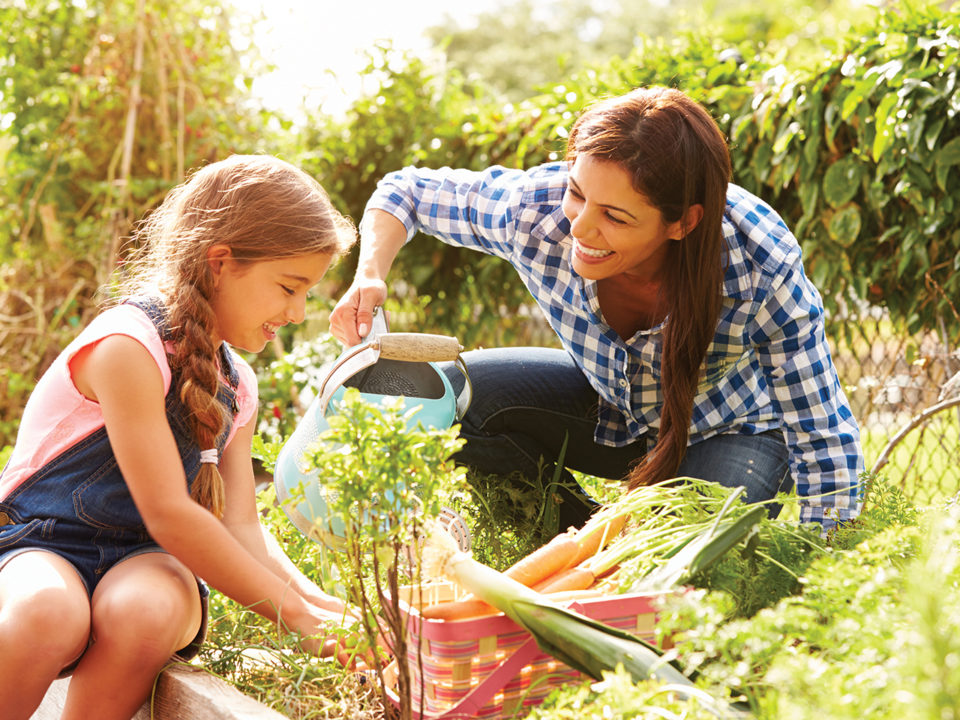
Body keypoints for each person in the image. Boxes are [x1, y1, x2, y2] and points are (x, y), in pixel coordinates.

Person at [329, 86, 864, 534]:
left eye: (615, 216)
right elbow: (405, 193)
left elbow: (820, 430)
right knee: (442, 396)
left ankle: (640, 556)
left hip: (733, 429)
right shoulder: (534, 213)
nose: (580, 228)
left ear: (681, 222)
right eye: (577, 193)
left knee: (687, 556)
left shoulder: (757, 261)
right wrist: (369, 273)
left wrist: (826, 565)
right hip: (612, 409)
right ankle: (576, 544)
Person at [0, 155, 359, 720]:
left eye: (307, 293)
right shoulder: (128, 345)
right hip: (41, 544)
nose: (297, 311)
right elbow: (169, 510)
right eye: (289, 287)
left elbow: (240, 525)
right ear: (221, 263)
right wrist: (295, 617)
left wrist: (320, 604)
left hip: (149, 560)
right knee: (47, 611)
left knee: (145, 610)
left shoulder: (237, 384)